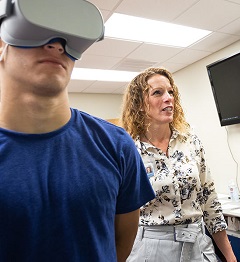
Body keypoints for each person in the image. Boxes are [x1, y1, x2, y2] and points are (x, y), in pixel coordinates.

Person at [0, 1, 155, 261]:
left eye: (68, 37)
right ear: (2, 45)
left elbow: (119, 243)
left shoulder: (116, 145)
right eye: (37, 28)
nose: (57, 45)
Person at [121, 67, 237, 262]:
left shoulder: (190, 142)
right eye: (157, 92)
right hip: (151, 249)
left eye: (171, 92)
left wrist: (229, 256)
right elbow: (118, 213)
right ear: (140, 104)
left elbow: (209, 201)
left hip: (197, 244)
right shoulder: (129, 149)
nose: (168, 98)